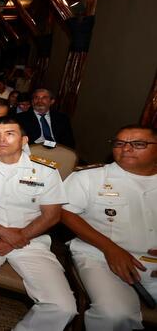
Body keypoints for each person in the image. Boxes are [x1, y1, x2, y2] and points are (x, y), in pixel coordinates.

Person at [0, 116, 76, 331]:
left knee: (63, 307)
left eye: (10, 134)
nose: (1, 139)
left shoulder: (46, 170)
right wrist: (3, 233)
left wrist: (14, 239)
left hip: (31, 240)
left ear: (24, 140)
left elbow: (52, 215)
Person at [61, 125, 157, 331]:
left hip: (153, 263)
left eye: (138, 144)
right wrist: (110, 248)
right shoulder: (89, 178)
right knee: (114, 314)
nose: (126, 149)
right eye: (119, 143)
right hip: (101, 256)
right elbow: (65, 213)